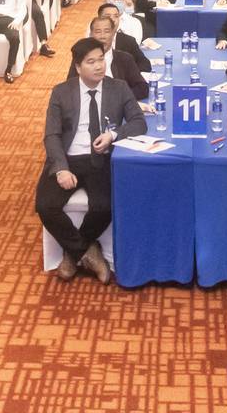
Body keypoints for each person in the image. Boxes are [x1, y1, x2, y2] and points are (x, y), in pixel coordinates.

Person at [38, 35, 148, 285]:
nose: (99, 66)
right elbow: (52, 135)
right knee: (45, 205)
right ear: (78, 67)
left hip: (100, 157)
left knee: (105, 205)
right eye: (91, 62)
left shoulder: (118, 87)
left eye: (101, 60)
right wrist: (61, 169)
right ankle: (88, 252)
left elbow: (138, 122)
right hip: (68, 157)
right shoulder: (61, 92)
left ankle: (72, 254)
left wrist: (112, 135)